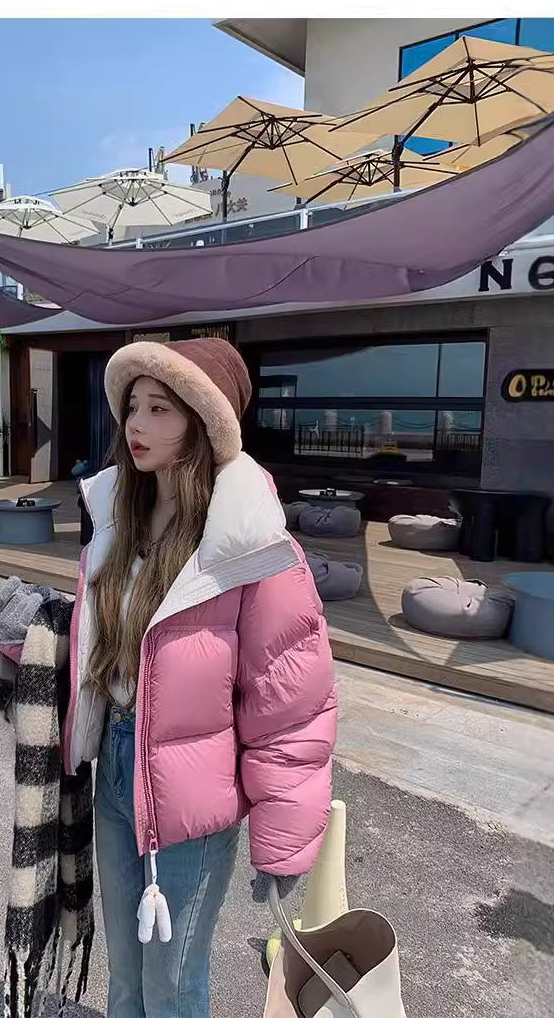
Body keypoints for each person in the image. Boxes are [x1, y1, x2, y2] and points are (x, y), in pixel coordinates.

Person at [61, 337, 337, 1017]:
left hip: (193, 796)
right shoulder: (118, 514)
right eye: (133, 406)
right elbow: (116, 645)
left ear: (202, 423)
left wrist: (282, 840)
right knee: (125, 976)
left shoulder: (251, 543)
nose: (136, 424)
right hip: (116, 770)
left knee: (172, 986)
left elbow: (290, 701)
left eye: (159, 409)